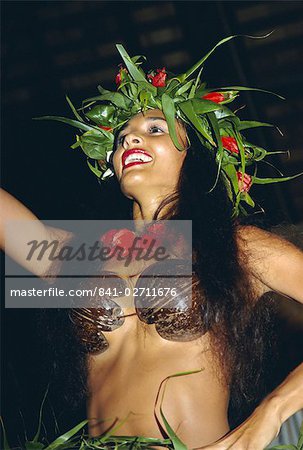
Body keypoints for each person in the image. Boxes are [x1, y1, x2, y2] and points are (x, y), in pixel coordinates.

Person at [1, 37, 303, 449]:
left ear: (194, 157)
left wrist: (269, 414)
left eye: (154, 129)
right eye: (122, 135)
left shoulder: (238, 248)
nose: (128, 139)